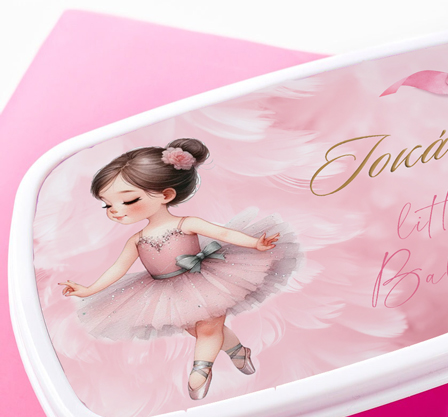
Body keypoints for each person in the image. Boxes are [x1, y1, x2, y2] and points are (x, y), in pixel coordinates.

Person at [60, 138, 302, 400]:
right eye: (108, 205)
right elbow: (118, 268)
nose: (115, 211)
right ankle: (238, 351)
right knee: (198, 330)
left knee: (208, 329)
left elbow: (222, 233)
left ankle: (201, 371)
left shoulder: (186, 223)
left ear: (166, 195)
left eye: (128, 201)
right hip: (167, 292)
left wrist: (254, 243)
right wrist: (89, 289)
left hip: (205, 281)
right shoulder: (136, 240)